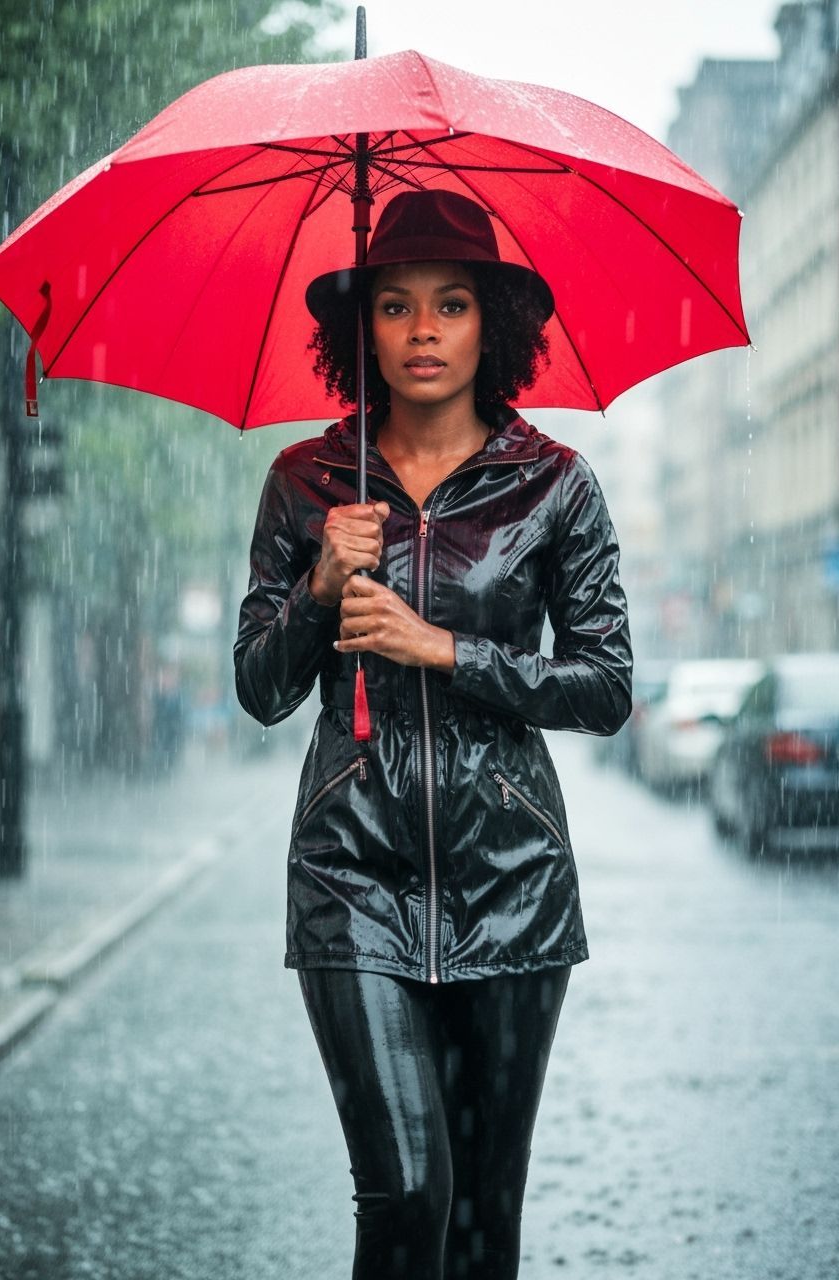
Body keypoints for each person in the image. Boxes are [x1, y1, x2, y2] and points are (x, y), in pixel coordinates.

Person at [233, 189, 632, 1279]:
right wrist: (319, 583)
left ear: (488, 324)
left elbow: (603, 685)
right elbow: (262, 688)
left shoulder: (553, 487)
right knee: (408, 1190)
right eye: (396, 305)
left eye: (449, 305)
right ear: (358, 327)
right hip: (350, 870)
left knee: (479, 1221)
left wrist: (443, 649)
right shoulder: (307, 482)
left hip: (511, 876)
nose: (420, 331)